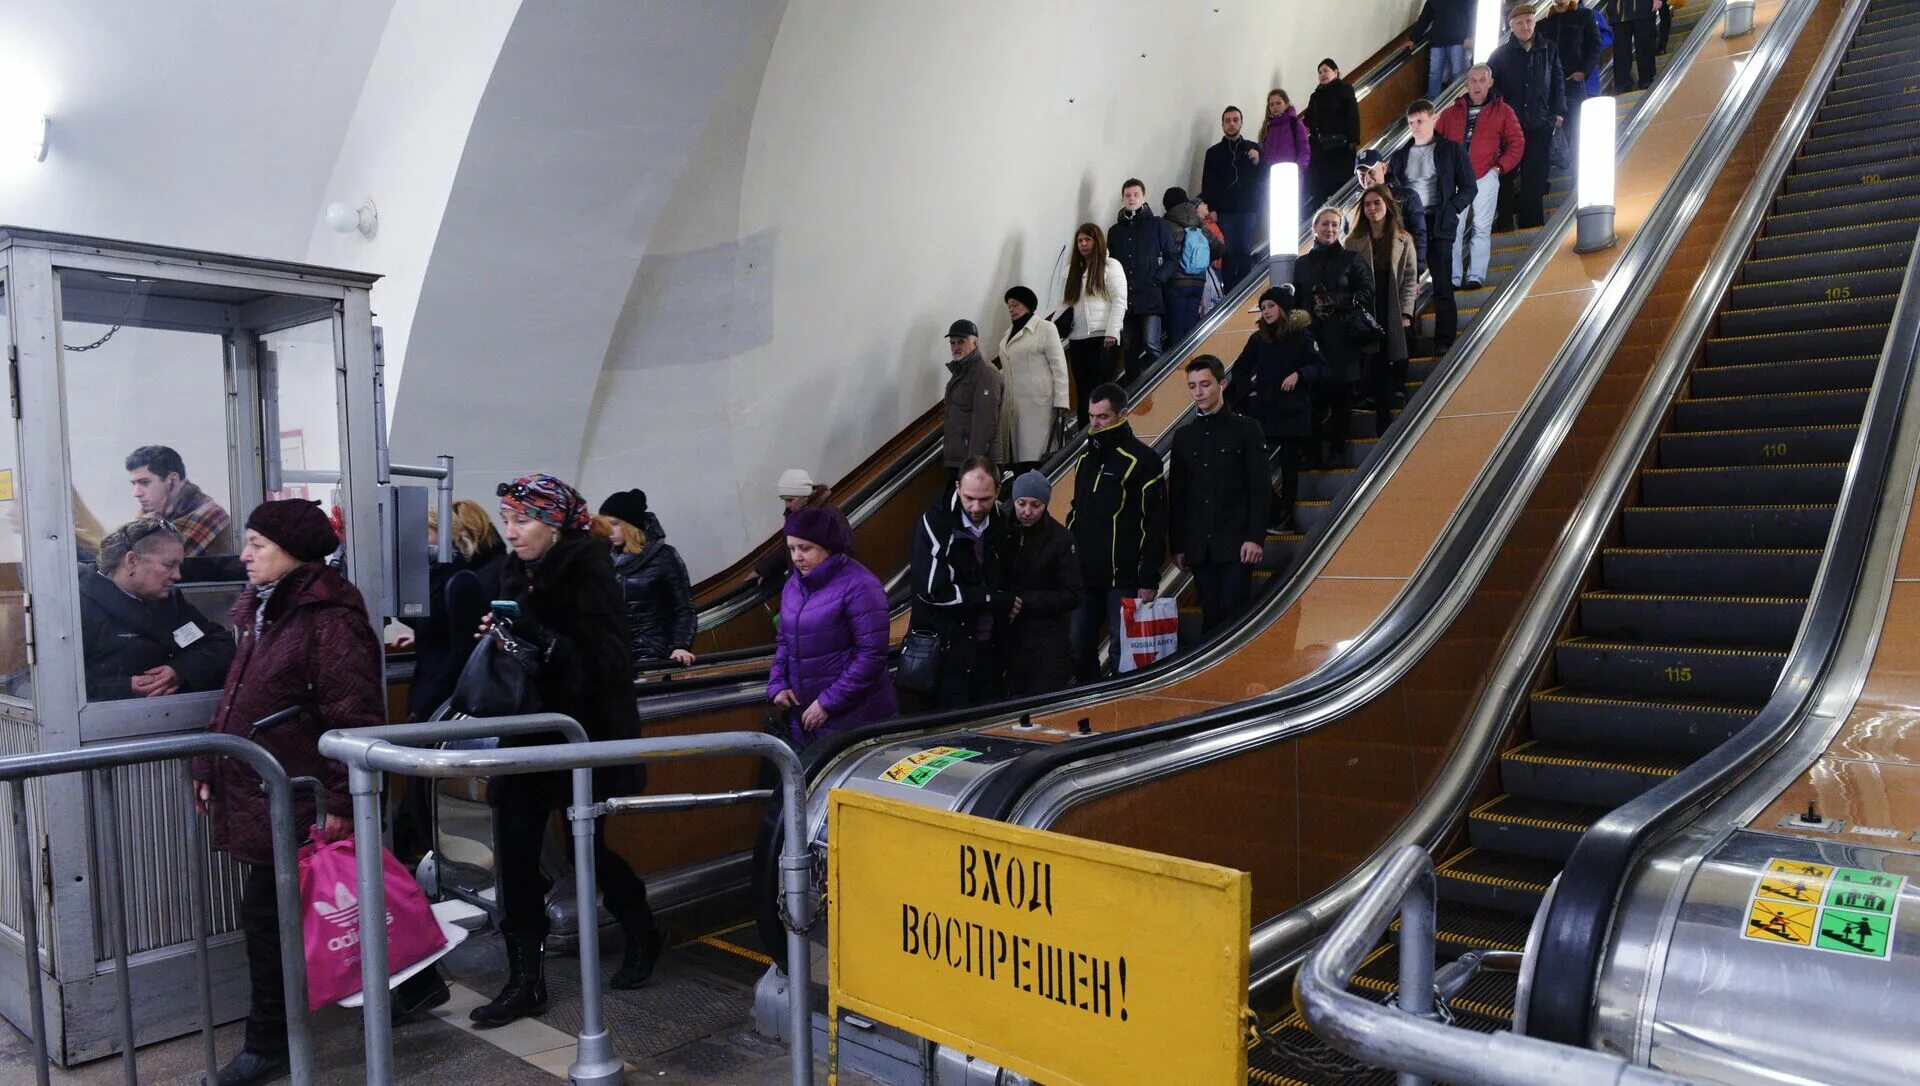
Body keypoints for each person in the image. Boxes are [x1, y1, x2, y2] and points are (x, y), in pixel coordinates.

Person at [191, 500, 431, 1086]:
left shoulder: (327, 616)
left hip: (300, 794)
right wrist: (211, 760)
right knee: (326, 902)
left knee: (269, 914)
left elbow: (354, 714)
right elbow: (238, 693)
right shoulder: (266, 607)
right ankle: (419, 984)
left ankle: (268, 1043)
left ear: (293, 551)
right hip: (265, 785)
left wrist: (345, 802)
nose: (244, 555)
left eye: (257, 544)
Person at [478, 474, 664, 1028]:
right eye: (506, 520)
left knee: (592, 853)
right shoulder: (516, 571)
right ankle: (525, 981)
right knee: (515, 853)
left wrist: (539, 634)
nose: (511, 532)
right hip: (528, 735)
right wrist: (502, 637)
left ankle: (643, 932)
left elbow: (607, 666)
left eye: (523, 521)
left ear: (555, 524)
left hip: (588, 737)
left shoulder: (591, 572)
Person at [767, 505, 898, 746]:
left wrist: (827, 703)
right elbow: (784, 640)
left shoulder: (860, 585)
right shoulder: (794, 586)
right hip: (807, 720)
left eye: (806, 548)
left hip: (857, 719)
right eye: (792, 548)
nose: (797, 557)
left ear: (828, 546)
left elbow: (871, 655)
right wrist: (778, 683)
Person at [1066, 383, 1166, 683]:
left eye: (1103, 417)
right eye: (1091, 416)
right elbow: (1077, 512)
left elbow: (1155, 522)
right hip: (1085, 576)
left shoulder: (1143, 460)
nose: (1095, 424)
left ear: (1123, 414)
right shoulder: (1085, 460)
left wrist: (1148, 577)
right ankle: (1089, 701)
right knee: (1077, 645)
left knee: (1124, 654)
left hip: (1123, 578)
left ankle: (1122, 715)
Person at [79, 517, 235, 702]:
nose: (177, 575)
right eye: (168, 565)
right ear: (131, 561)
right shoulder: (81, 606)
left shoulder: (169, 603)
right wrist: (123, 687)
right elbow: (60, 679)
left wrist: (180, 670)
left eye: (179, 566)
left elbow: (219, 644)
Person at [1170, 356, 1269, 634]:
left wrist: (1255, 537)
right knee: (1211, 615)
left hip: (1237, 542)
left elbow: (1260, 488)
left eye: (1205, 384)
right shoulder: (1183, 437)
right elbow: (1179, 495)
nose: (1198, 392)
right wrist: (1178, 544)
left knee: (1232, 615)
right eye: (1192, 386)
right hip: (1200, 546)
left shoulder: (1247, 429)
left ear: (1222, 384)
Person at [909, 457, 1013, 709]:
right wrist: (990, 598)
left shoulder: (1002, 521)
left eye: (985, 499)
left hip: (989, 648)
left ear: (997, 491)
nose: (976, 507)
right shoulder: (936, 523)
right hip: (947, 653)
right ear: (957, 488)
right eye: (969, 498)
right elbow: (933, 591)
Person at [1227, 287, 1327, 533]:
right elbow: (1239, 369)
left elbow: (1322, 369)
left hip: (1293, 412)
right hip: (1264, 412)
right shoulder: (1259, 339)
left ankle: (1285, 516)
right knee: (1253, 462)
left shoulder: (1302, 336)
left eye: (1271, 306)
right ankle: (1273, 509)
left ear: (1283, 308)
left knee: (1289, 465)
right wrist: (1246, 393)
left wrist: (1299, 374)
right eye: (1263, 308)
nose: (1266, 311)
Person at [1388, 100, 1475, 349]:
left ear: (1433, 119)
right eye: (1411, 122)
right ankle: (1407, 344)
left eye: (1420, 121)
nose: (1415, 126)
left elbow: (1470, 187)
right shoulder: (1400, 155)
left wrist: (1451, 208)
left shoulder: (1451, 150)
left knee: (1442, 284)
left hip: (1439, 222)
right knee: (1405, 287)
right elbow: (1391, 191)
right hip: (1410, 226)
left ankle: (1444, 341)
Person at [1295, 208, 1376, 467]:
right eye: (1325, 224)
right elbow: (1296, 302)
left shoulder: (1351, 259)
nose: (1329, 229)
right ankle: (1313, 453)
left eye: (1334, 224)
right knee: (1314, 400)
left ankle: (1338, 450)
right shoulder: (1302, 264)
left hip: (1343, 338)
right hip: (1313, 339)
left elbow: (1368, 291)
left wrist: (1338, 301)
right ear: (1315, 228)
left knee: (1341, 399)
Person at [1436, 66, 1526, 291]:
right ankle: (1453, 278)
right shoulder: (1449, 113)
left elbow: (1517, 142)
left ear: (1490, 82)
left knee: (1481, 227)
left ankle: (1476, 276)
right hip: (1455, 179)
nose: (1477, 85)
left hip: (1486, 176)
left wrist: (1498, 169)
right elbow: (1433, 143)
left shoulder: (1503, 111)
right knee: (1452, 229)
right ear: (1466, 84)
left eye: (1482, 80)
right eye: (1473, 81)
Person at [1344, 186, 1420, 437]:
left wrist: (1407, 313)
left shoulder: (1403, 238)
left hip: (1391, 309)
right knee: (1369, 362)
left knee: (1386, 362)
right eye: (1367, 205)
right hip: (1364, 312)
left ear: (1387, 205)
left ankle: (1384, 423)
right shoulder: (1352, 242)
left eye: (1377, 203)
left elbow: (1410, 279)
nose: (1372, 208)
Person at [1001, 471, 1083, 696]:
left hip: (1047, 641)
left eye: (1035, 505)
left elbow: (1074, 593)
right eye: (1021, 503)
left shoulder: (1061, 540)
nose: (1027, 512)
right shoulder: (1004, 533)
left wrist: (1024, 602)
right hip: (1010, 639)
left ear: (1045, 504)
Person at [1489, 3, 1568, 230]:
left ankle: (1531, 225)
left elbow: (1557, 82)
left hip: (1539, 124)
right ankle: (1504, 223)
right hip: (1510, 128)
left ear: (1535, 22)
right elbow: (1492, 90)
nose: (1525, 26)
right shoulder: (1500, 55)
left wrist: (1559, 112)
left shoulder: (1549, 49)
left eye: (1529, 21)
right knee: (1506, 176)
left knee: (1535, 177)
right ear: (1511, 26)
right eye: (1520, 23)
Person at [599, 489, 696, 669]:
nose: (608, 531)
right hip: (614, 651)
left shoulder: (664, 556)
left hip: (653, 649)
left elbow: (684, 609)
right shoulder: (603, 557)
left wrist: (681, 646)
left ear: (630, 524)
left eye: (614, 524)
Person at [1108, 179, 1179, 384]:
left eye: (1135, 195)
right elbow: (1110, 263)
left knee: (1152, 344)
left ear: (1143, 197)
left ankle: (1160, 387)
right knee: (1129, 348)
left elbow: (1172, 257)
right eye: (1128, 195)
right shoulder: (1115, 231)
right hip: (1125, 298)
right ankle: (1134, 394)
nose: (1132, 198)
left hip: (1150, 295)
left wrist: (1158, 279)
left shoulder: (1157, 224)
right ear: (1122, 199)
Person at [1058, 224, 1128, 427]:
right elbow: (1063, 304)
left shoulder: (1110, 265)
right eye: (1080, 241)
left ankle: (1105, 430)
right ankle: (1083, 437)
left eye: (1087, 240)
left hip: (1102, 336)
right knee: (1082, 391)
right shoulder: (1070, 271)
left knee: (1102, 391)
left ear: (1097, 241)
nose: (1083, 244)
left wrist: (1113, 332)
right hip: (1078, 338)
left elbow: (1119, 300)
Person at [999, 286, 1071, 476]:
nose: (1012, 310)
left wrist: (1062, 401)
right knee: (1019, 462)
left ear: (1028, 305)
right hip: (1014, 409)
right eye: (1009, 307)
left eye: (1015, 305)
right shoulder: (1007, 335)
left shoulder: (1046, 328)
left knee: (1036, 458)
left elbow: (1059, 367)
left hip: (1040, 407)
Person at [748, 469, 849, 590]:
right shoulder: (800, 515)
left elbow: (846, 549)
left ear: (804, 497)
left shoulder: (826, 515)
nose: (787, 505)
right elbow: (788, 547)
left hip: (826, 588)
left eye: (790, 500)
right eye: (784, 500)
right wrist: (764, 568)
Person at [126, 444, 231, 557]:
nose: (136, 493)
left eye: (144, 482)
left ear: (173, 480)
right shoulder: (159, 515)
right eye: (134, 484)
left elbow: (154, 564)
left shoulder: (209, 515)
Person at [1202, 106, 1263, 286]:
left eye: (1235, 120)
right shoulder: (1213, 153)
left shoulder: (1254, 148)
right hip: (1224, 211)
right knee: (1227, 253)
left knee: (1244, 251)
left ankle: (1244, 293)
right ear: (1222, 125)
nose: (1231, 124)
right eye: (1227, 120)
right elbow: (1208, 183)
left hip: (1248, 209)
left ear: (1241, 123)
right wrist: (1211, 208)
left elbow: (1264, 177)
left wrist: (1258, 161)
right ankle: (1229, 296)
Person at [941, 319, 1006, 475]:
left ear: (974, 343)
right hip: (959, 459)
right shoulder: (961, 372)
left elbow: (985, 422)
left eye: (961, 342)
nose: (956, 347)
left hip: (977, 463)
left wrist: (973, 463)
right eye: (952, 343)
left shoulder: (985, 373)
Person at [1162, 187, 1223, 347]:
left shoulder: (1165, 224)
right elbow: (1219, 248)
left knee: (1176, 331)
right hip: (1198, 283)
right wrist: (1201, 263)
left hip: (1176, 284)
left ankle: (1176, 369)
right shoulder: (1199, 222)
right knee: (1190, 330)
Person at [1356, 149, 1428, 276]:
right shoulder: (1356, 206)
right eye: (1361, 175)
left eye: (1371, 172)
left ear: (1384, 168)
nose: (1367, 179)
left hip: (1401, 270)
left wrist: (1416, 270)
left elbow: (1419, 234)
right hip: (1369, 275)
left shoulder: (1407, 196)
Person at [1541, 0, 1602, 139]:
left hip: (1573, 84)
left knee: (1576, 132)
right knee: (1551, 135)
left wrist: (1582, 72)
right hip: (1550, 87)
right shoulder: (1544, 23)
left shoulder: (1584, 15)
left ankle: (1575, 161)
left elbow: (1594, 47)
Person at [1304, 65, 1361, 210]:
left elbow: (1352, 115)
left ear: (1336, 72)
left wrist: (1353, 140)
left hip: (1340, 149)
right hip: (1320, 150)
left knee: (1341, 186)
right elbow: (1308, 119)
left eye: (1326, 70)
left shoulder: (1344, 89)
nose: (1322, 74)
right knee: (1321, 186)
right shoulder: (1315, 95)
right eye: (1320, 72)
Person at [1415, 0, 1479, 99]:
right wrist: (1413, 39)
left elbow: (1472, 16)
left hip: (1458, 40)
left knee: (1457, 72)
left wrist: (1470, 36)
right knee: (1434, 73)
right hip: (1438, 41)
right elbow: (1425, 18)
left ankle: (1458, 102)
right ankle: (1433, 105)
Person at [1260, 89, 1313, 207]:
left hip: (1291, 178)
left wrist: (1297, 171)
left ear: (1286, 104)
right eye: (1272, 104)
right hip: (1273, 179)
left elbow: (1304, 150)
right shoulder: (1267, 128)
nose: (1275, 107)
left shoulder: (1295, 124)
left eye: (1278, 103)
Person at [1603, 0, 1664, 93]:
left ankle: (1646, 79)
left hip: (1643, 8)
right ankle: (1622, 83)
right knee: (1620, 51)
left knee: (1645, 45)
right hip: (1619, 12)